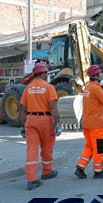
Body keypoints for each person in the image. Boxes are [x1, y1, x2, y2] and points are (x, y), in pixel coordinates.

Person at [19, 62, 61, 190]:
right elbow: (53, 108)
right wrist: (57, 124)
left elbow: (23, 109)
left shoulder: (28, 89)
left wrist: (22, 126)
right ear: (43, 74)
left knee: (32, 149)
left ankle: (32, 179)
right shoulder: (49, 88)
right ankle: (46, 171)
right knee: (47, 147)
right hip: (45, 120)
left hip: (30, 120)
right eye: (46, 73)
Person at [74, 64, 103, 179]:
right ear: (95, 75)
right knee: (99, 148)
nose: (102, 75)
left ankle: (80, 167)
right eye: (100, 73)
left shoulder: (87, 88)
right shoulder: (96, 88)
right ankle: (98, 171)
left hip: (87, 124)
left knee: (89, 147)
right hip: (97, 125)